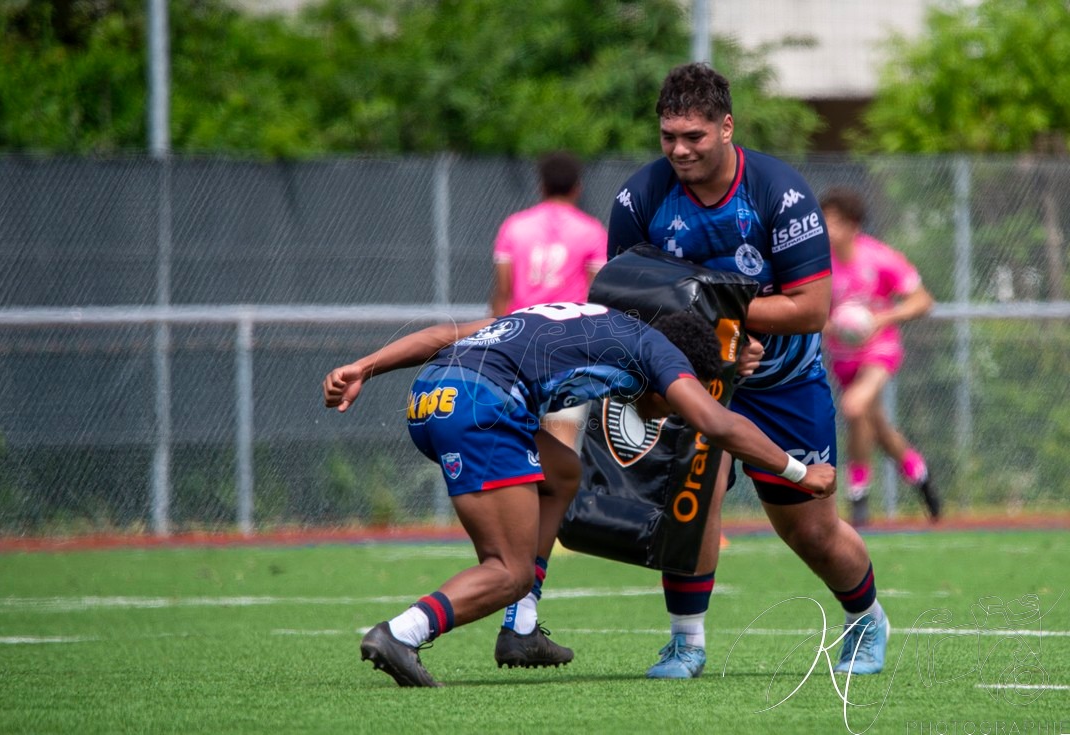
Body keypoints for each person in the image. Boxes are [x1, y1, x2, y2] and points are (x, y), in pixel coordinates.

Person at [513, 62, 892, 679]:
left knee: (811, 531)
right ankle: (686, 643)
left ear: (727, 126)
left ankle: (867, 616)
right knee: (690, 497)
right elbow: (626, 304)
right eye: (669, 137)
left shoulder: (780, 192)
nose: (681, 149)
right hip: (688, 376)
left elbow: (812, 308)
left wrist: (727, 322)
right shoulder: (640, 199)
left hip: (783, 382)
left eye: (694, 136)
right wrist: (705, 341)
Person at [322, 302, 836, 687]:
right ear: (679, 372)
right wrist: (799, 473)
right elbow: (716, 422)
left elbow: (443, 335)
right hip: (481, 406)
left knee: (563, 470)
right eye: (681, 396)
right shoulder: (658, 351)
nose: (674, 412)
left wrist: (361, 368)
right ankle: (402, 633)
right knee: (508, 569)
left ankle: (520, 629)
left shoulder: (574, 317)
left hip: (432, 397)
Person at [487, 153, 607, 667]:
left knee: (525, 448)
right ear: (578, 185)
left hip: (518, 344)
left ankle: (520, 545)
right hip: (568, 346)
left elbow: (501, 293)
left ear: (540, 182)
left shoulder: (515, 226)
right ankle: (538, 546)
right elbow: (601, 291)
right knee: (560, 454)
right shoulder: (589, 229)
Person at [819, 186, 942, 527]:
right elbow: (812, 310)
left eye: (833, 222)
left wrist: (879, 319)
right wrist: (832, 325)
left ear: (853, 225)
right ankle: (918, 473)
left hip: (879, 352)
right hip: (843, 359)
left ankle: (858, 494)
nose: (825, 228)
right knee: (877, 426)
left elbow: (922, 301)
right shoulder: (818, 265)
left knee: (855, 407)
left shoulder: (879, 258)